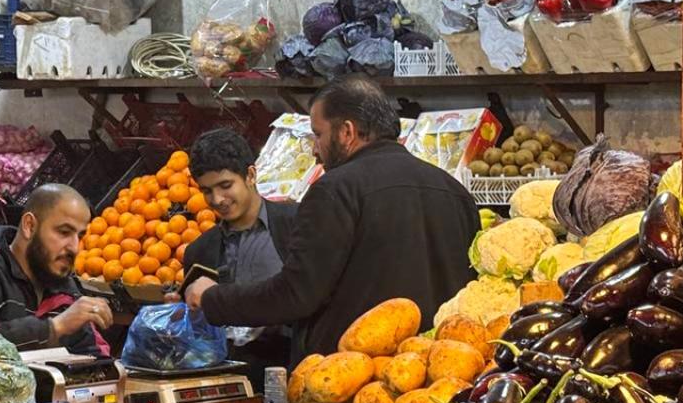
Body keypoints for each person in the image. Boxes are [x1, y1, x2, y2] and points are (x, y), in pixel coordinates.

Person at [185, 74, 479, 364]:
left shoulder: (335, 190)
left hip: (352, 383)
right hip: (439, 373)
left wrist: (213, 299)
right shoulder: (456, 192)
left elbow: (296, 294)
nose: (314, 148)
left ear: (346, 132)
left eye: (318, 134)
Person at [179, 129, 297, 386]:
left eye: (225, 185)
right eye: (207, 190)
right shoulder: (199, 252)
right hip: (225, 382)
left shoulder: (295, 228)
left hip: (289, 372)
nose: (217, 199)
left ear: (251, 175)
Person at [0, 184, 112, 357]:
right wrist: (54, 328)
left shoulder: (64, 287)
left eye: (80, 236)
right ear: (29, 226)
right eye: (64, 232)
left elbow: (96, 354)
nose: (74, 248)